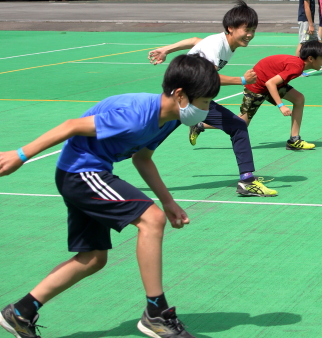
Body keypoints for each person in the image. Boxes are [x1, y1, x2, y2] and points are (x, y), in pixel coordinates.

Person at [0, 54, 219, 338]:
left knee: (93, 259)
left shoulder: (169, 120)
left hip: (88, 173)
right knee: (151, 220)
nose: (208, 108)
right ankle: (156, 313)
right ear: (180, 95)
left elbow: (142, 159)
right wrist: (20, 155)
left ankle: (20, 312)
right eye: (204, 102)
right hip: (80, 173)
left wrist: (168, 201)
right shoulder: (134, 116)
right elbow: (70, 126)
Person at [147, 1, 277, 197]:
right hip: (186, 99)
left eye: (253, 30)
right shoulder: (217, 45)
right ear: (230, 28)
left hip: (188, 97)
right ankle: (247, 180)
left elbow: (194, 40)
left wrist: (167, 49)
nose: (250, 34)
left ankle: (247, 179)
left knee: (147, 141)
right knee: (238, 127)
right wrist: (242, 80)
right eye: (246, 29)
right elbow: (208, 77)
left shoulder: (221, 42)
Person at [238, 40, 322, 150]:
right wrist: (281, 105)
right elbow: (270, 83)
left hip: (270, 84)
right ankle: (211, 123)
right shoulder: (296, 67)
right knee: (240, 124)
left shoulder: (298, 65)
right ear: (310, 59)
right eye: (321, 57)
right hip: (257, 87)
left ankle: (294, 140)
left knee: (299, 98)